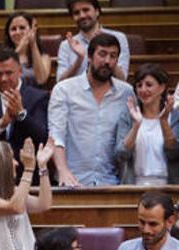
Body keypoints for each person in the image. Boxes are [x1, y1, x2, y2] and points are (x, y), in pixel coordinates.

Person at [49, 33, 134, 186]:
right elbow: (57, 135)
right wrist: (62, 170)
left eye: (113, 56)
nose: (107, 61)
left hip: (113, 183)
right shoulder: (64, 90)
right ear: (89, 56)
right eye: (102, 54)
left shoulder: (126, 93)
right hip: (72, 181)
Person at [0, 48, 49, 168]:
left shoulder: (38, 97)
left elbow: (43, 138)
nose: (4, 78)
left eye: (9, 73)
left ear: (20, 71)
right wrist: (2, 123)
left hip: (29, 172)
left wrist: (21, 114)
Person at [114, 64, 179, 186]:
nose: (143, 90)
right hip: (133, 186)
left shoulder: (174, 116)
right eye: (139, 85)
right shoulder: (128, 115)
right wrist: (136, 126)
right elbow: (120, 155)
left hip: (169, 186)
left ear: (162, 87)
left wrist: (164, 121)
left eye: (149, 85)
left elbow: (174, 154)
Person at [57, 0, 129, 83]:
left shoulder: (118, 38)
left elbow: (122, 79)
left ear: (97, 11)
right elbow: (60, 82)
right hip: (76, 94)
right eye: (76, 13)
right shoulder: (66, 45)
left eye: (86, 10)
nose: (82, 15)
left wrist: (106, 52)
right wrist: (79, 60)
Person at [2, 11, 51, 87]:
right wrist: (18, 50)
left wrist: (33, 44)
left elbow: (41, 80)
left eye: (22, 28)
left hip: (36, 97)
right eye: (13, 29)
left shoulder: (44, 57)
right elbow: (0, 80)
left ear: (31, 30)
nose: (17, 32)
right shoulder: (1, 55)